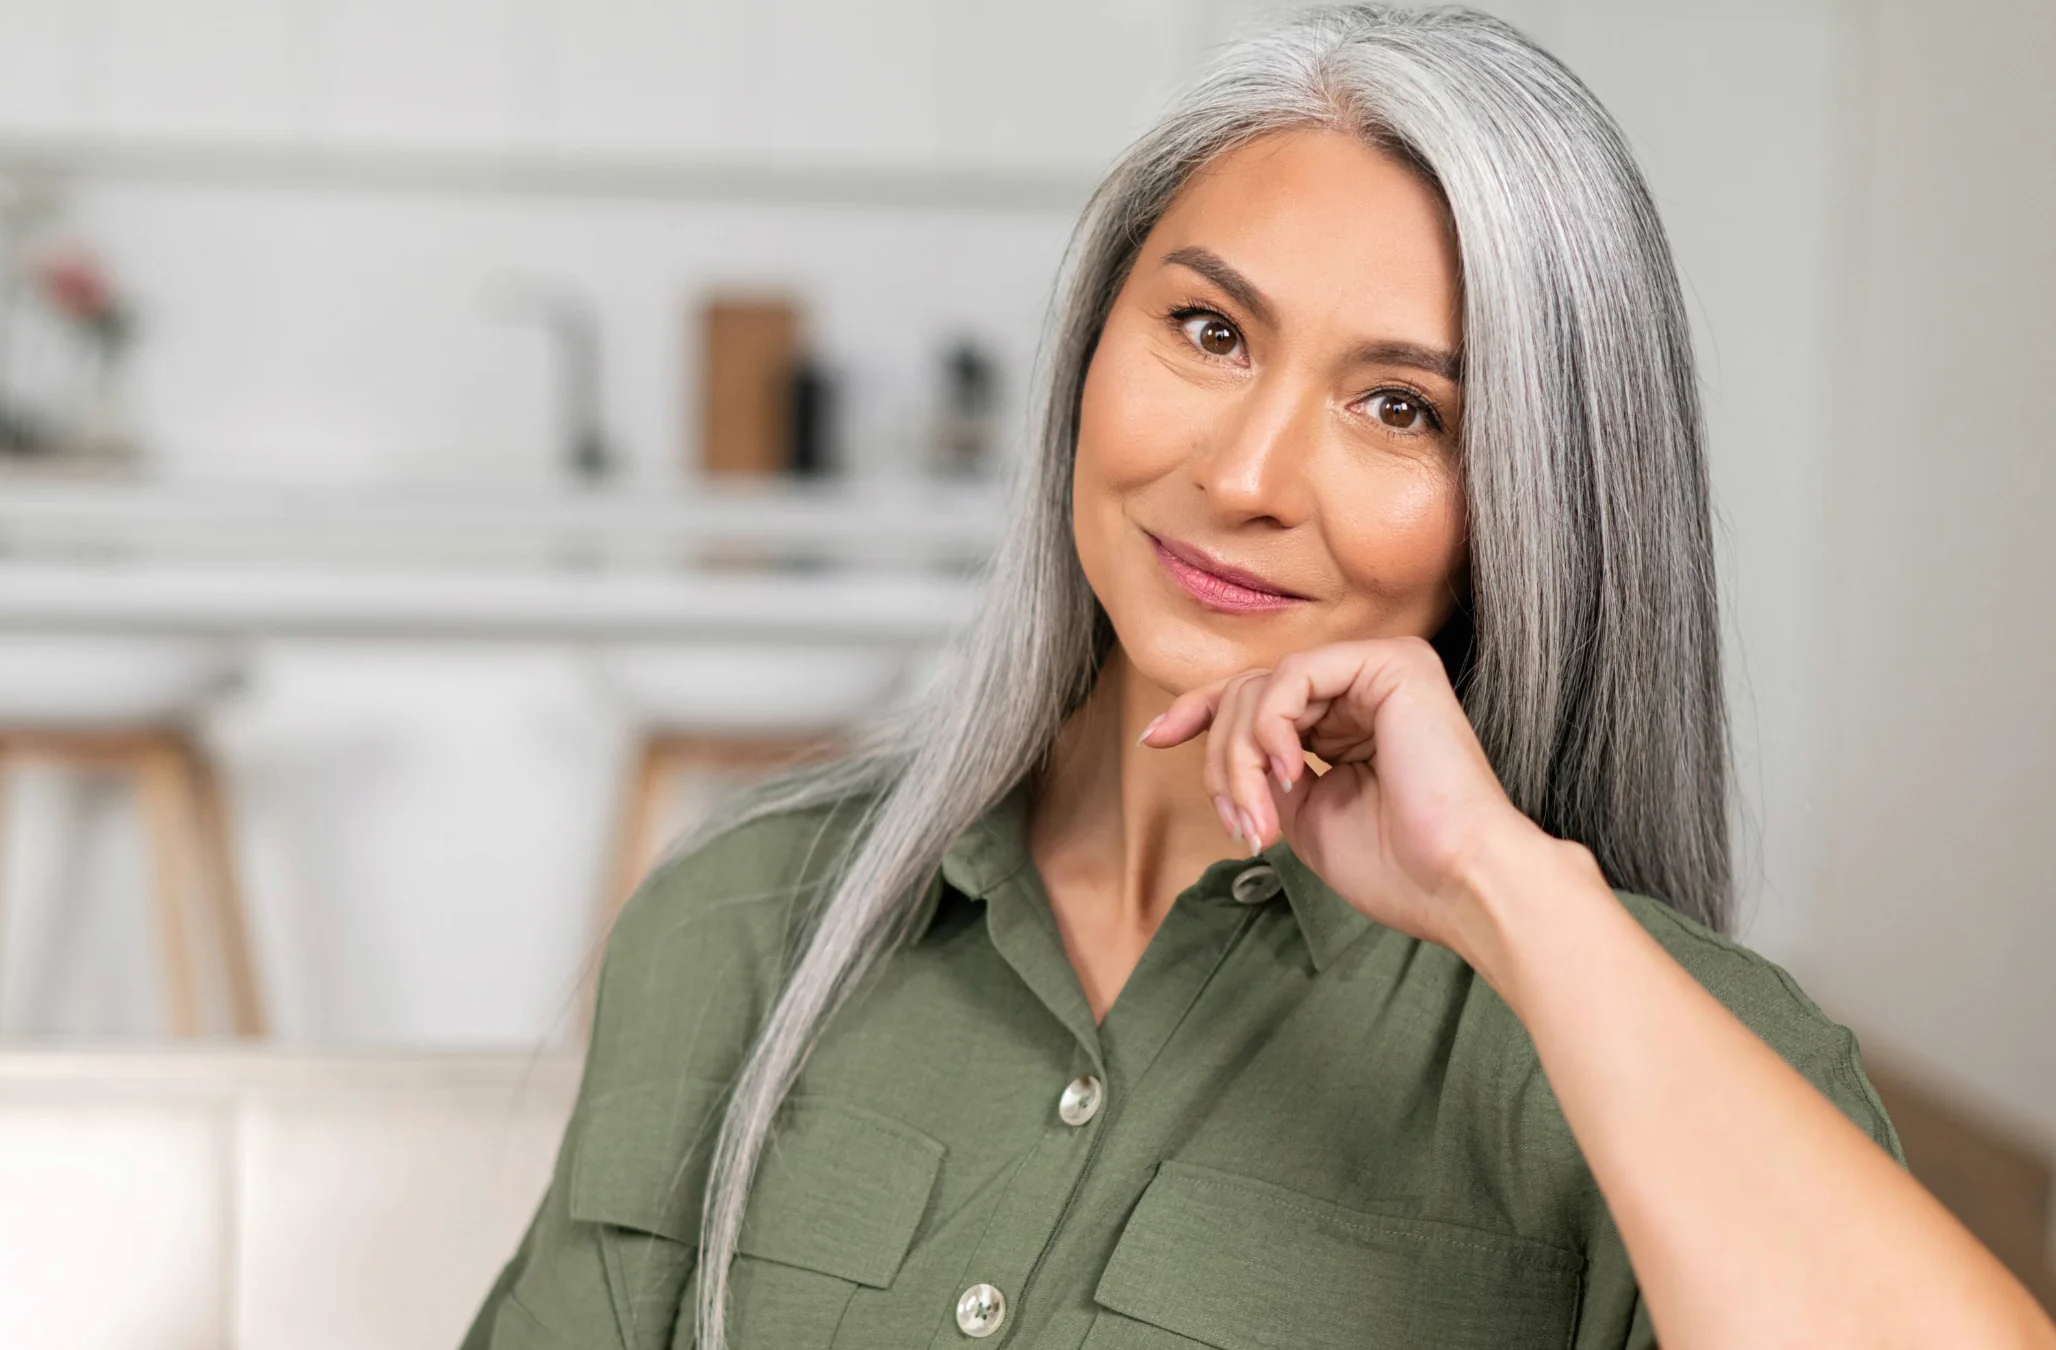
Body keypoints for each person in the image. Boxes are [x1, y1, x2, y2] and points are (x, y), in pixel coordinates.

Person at [462, 7, 2056, 1348]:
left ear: (1538, 507)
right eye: (1211, 332)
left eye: (1404, 410)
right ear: (1093, 343)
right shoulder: (748, 920)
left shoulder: (1654, 1046)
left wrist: (1500, 885)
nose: (1248, 473)